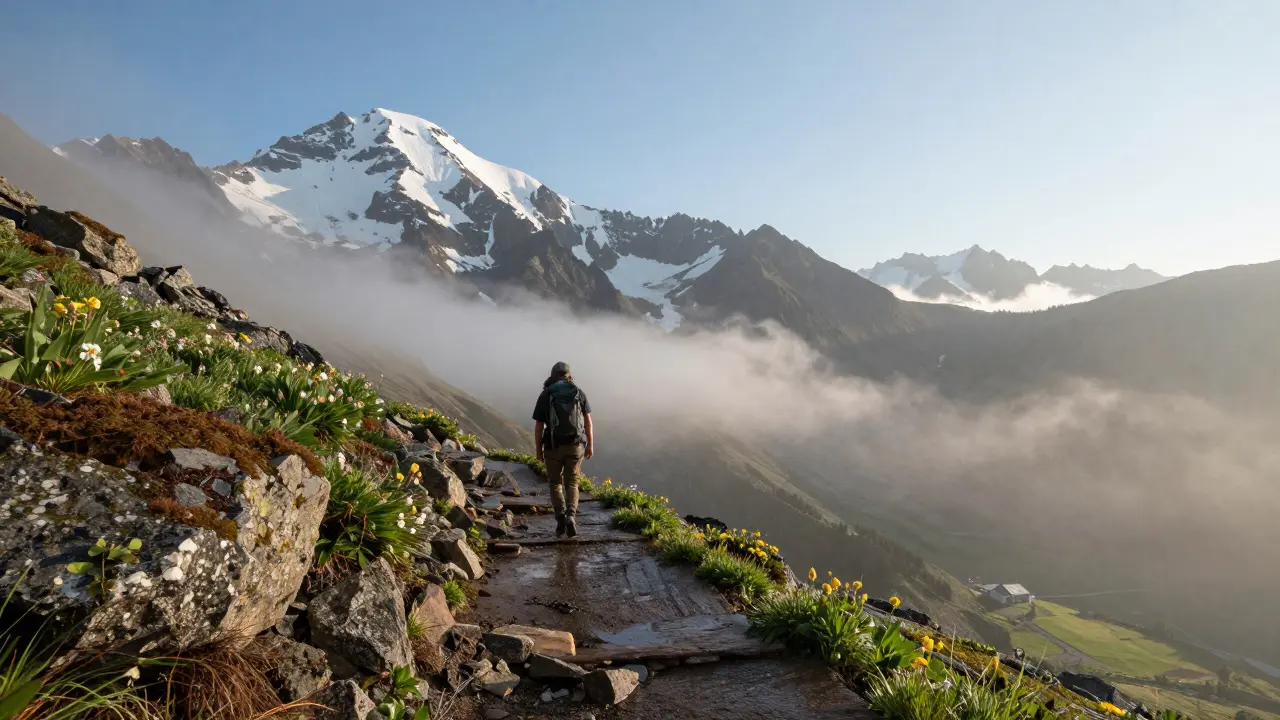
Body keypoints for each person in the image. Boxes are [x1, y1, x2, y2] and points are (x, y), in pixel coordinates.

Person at [532, 361, 594, 538]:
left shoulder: (547, 394)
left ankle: (560, 518)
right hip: (575, 446)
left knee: (555, 483)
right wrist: (590, 444)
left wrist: (538, 450)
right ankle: (571, 516)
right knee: (572, 483)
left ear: (552, 376)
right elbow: (588, 422)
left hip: (552, 447)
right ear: (569, 376)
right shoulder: (578, 392)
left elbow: (539, 426)